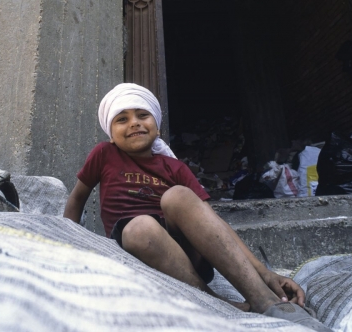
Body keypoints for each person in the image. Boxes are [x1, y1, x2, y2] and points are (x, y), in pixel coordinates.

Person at [63, 83, 331, 331]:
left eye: (142, 115)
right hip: (134, 250)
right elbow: (76, 200)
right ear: (110, 134)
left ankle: (266, 302)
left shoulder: (175, 167)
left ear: (157, 127)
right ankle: (213, 301)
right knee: (140, 226)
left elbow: (213, 225)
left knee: (178, 195)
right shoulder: (104, 154)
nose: (134, 123)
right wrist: (67, 249)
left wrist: (264, 273)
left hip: (185, 255)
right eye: (122, 119)